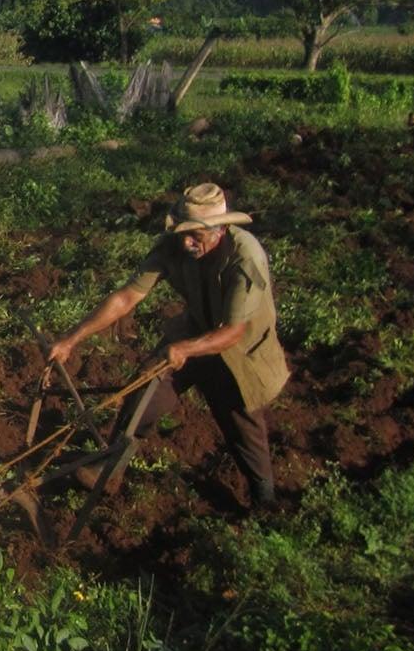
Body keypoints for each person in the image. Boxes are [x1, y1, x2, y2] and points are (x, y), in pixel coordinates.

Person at [47, 183, 289, 510]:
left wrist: (186, 350)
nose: (186, 242)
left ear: (219, 229)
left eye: (195, 235)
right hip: (194, 330)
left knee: (240, 421)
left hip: (240, 346)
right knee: (145, 387)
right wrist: (71, 338)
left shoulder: (245, 257)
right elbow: (127, 297)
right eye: (182, 233)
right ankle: (110, 468)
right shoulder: (175, 247)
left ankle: (265, 497)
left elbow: (232, 331)